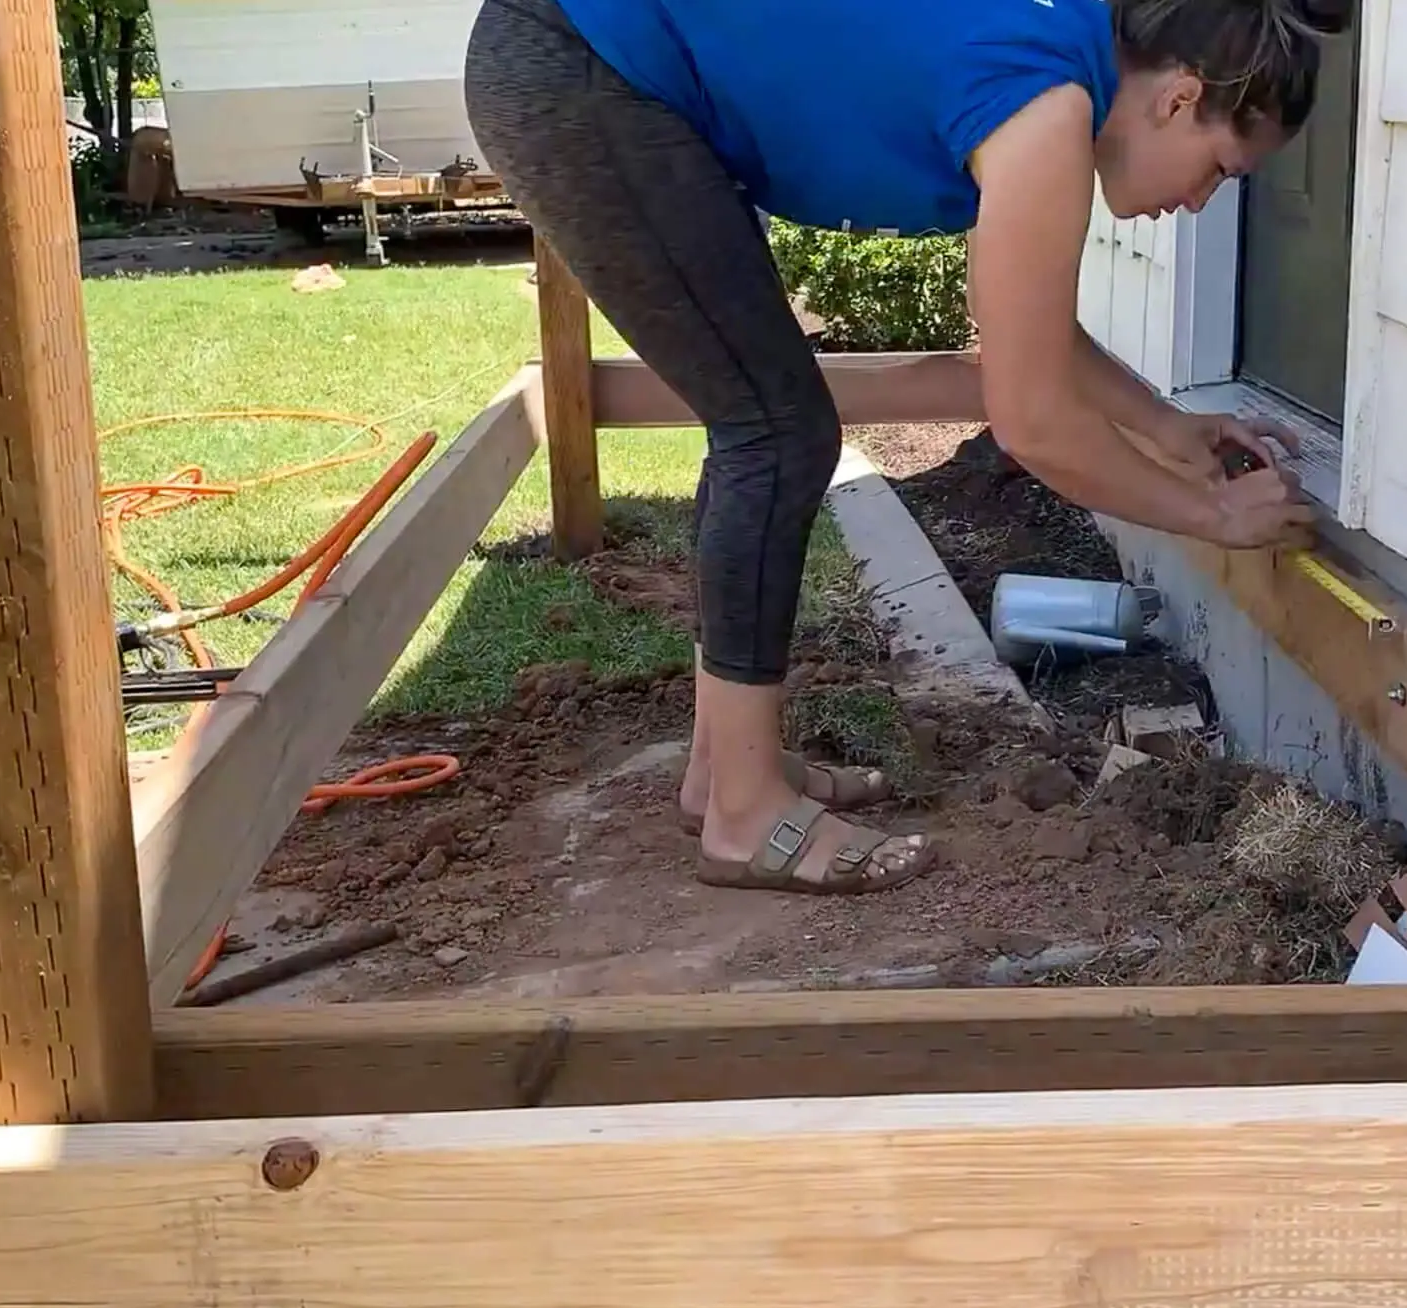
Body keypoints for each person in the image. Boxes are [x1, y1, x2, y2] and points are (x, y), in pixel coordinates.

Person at [465, 0, 1338, 898]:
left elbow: (1021, 323)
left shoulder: (1052, 69)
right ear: (1179, 97)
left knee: (766, 419)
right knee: (776, 429)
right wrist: (1214, 515)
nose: (1198, 203)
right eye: (1219, 172)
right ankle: (743, 812)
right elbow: (1032, 421)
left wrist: (1162, 424)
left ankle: (722, 771)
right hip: (582, 62)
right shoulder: (1045, 107)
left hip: (603, 63)